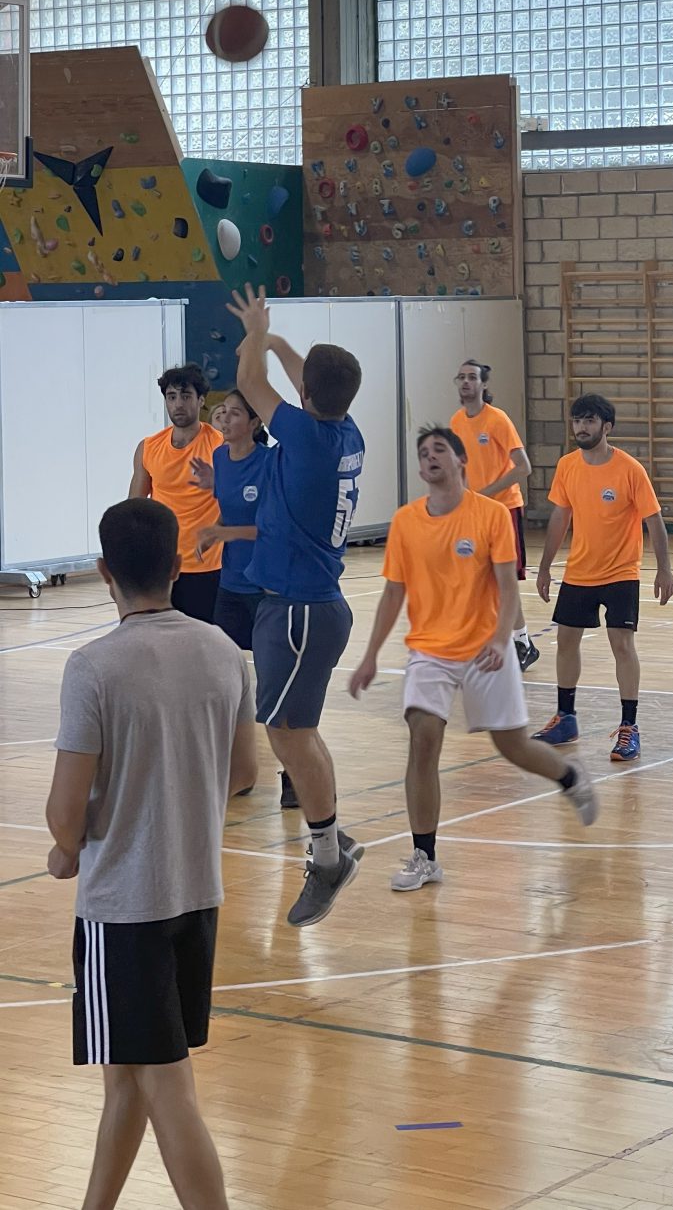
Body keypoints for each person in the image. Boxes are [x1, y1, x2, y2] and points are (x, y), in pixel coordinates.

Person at [45, 498, 258, 1210]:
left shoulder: (93, 667)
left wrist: (69, 845)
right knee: (129, 1077)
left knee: (165, 1084)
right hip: (197, 896)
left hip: (123, 909)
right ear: (178, 564)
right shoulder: (223, 651)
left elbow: (64, 812)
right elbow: (243, 773)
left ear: (104, 570)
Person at [348, 425, 597, 892]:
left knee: (513, 746)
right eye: (424, 452)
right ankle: (425, 857)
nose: (430, 457)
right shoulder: (405, 521)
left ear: (461, 461)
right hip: (429, 651)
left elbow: (506, 587)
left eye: (439, 449)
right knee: (423, 740)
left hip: (485, 647)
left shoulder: (490, 515)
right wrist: (370, 656)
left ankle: (568, 777)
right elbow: (393, 593)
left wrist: (502, 641)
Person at [227, 282, 365, 927]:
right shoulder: (344, 429)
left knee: (289, 736)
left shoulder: (305, 439)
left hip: (299, 611)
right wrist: (278, 340)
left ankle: (328, 857)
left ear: (305, 394)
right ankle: (333, 842)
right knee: (297, 733)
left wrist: (257, 333)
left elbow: (248, 381)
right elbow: (300, 380)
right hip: (308, 607)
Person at [533, 393, 673, 761]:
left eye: (590, 421)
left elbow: (653, 520)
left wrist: (664, 569)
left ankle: (629, 727)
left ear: (606, 427)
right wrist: (545, 566)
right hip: (579, 571)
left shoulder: (629, 469)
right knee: (566, 642)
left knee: (622, 645)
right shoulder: (567, 466)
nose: (581, 427)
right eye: (577, 420)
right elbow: (560, 517)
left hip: (620, 572)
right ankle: (566, 718)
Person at [196, 387, 298, 811]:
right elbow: (232, 510)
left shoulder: (270, 463)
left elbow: (272, 528)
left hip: (266, 588)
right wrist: (216, 529)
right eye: (223, 411)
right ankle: (231, 767)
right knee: (221, 673)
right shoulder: (220, 459)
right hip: (231, 585)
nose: (225, 418)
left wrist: (222, 532)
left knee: (276, 684)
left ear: (255, 423)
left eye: (236, 413)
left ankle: (294, 774)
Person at [450, 358, 539, 671]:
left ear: (483, 384)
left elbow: (523, 467)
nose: (466, 382)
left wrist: (485, 494)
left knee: (505, 579)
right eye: (461, 377)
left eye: (472, 377)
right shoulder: (456, 422)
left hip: (503, 509)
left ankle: (523, 642)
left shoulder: (497, 420)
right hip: (473, 511)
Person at [129, 362, 223, 623]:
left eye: (186, 396)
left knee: (204, 639)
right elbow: (134, 509)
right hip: (162, 566)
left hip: (208, 566)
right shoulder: (149, 447)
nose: (178, 404)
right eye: (171, 397)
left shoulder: (220, 445)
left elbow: (237, 501)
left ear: (201, 400)